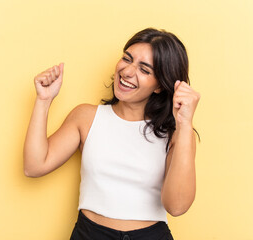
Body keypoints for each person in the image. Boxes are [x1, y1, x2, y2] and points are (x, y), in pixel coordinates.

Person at [23, 28, 200, 240]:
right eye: (127, 59)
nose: (127, 71)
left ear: (160, 86)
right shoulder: (86, 117)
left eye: (144, 70)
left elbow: (177, 206)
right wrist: (43, 100)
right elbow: (34, 166)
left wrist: (185, 124)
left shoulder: (178, 134)